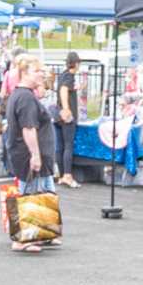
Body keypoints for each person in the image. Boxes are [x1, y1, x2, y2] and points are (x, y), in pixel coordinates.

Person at [2, 56, 53, 192]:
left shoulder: (19, 94)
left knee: (34, 205)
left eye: (42, 70)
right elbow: (28, 128)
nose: (41, 74)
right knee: (36, 207)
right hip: (30, 161)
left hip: (26, 158)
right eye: (36, 71)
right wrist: (35, 156)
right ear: (24, 73)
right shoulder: (26, 97)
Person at [55, 53, 82, 187]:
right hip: (67, 116)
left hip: (58, 115)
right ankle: (67, 175)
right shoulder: (69, 76)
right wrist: (67, 109)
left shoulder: (63, 75)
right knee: (68, 145)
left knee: (60, 147)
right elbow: (64, 90)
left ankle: (61, 174)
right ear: (76, 63)